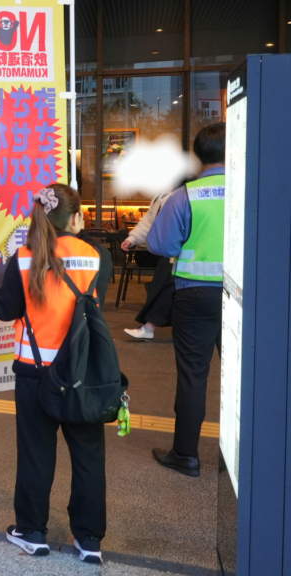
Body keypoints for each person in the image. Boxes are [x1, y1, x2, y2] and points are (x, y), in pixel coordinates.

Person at [0, 183, 110, 565]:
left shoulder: (26, 257)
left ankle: (32, 532)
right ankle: (89, 539)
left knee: (36, 453)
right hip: (83, 374)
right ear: (76, 218)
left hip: (35, 373)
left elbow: (4, 308)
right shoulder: (97, 257)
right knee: (88, 455)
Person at [146, 123, 226, 478]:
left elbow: (160, 244)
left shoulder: (185, 196)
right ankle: (243, 457)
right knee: (245, 377)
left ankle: (186, 455)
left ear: (198, 156)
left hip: (194, 295)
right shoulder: (251, 191)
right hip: (242, 298)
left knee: (193, 376)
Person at [121, 182, 183, 340]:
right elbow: (148, 222)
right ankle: (149, 327)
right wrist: (133, 238)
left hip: (176, 251)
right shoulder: (161, 196)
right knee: (166, 288)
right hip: (169, 251)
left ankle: (149, 327)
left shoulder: (181, 194)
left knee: (165, 288)